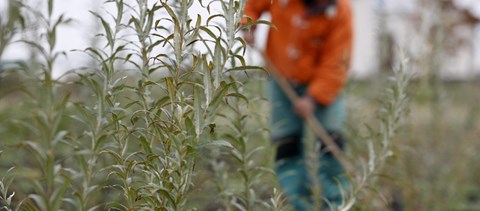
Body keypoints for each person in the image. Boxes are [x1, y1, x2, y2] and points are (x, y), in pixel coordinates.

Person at [242, 0, 353, 210]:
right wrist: (248, 24)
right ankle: (300, 204)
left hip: (323, 81)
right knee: (287, 145)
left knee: (330, 143)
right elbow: (252, 6)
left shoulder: (340, 10)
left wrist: (313, 98)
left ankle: (337, 204)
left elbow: (337, 60)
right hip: (281, 76)